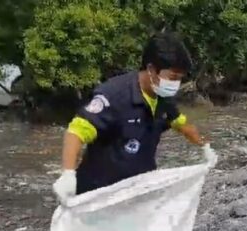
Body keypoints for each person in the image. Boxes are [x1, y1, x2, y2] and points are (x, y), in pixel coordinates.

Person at [53, 32, 211, 201]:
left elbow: (180, 123)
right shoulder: (114, 95)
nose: (176, 84)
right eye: (173, 77)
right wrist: (68, 174)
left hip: (137, 191)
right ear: (151, 69)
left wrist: (204, 145)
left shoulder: (163, 98)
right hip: (98, 194)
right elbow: (76, 132)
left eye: (180, 79)